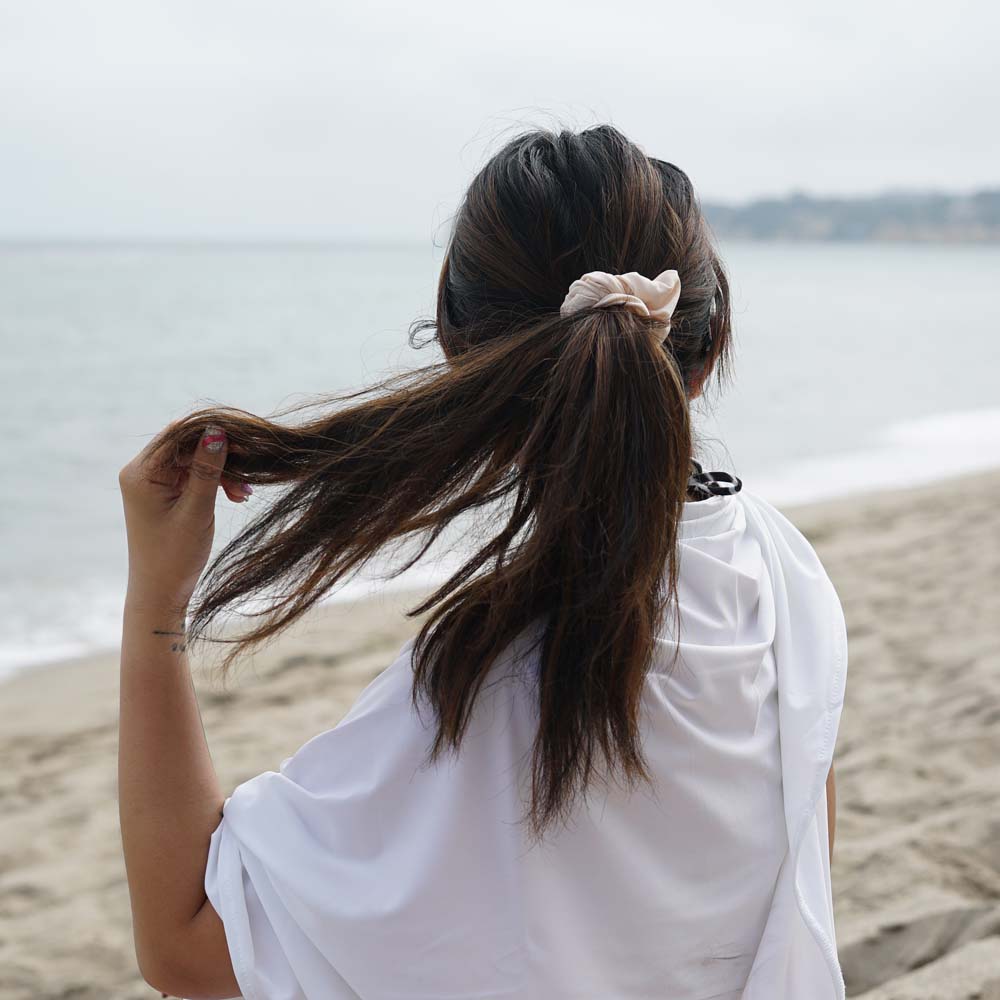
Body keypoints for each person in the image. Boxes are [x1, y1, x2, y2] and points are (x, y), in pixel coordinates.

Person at [117, 124, 848, 1000]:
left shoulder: (483, 678)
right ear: (709, 347)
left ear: (460, 356)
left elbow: (189, 948)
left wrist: (157, 606)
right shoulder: (784, 577)